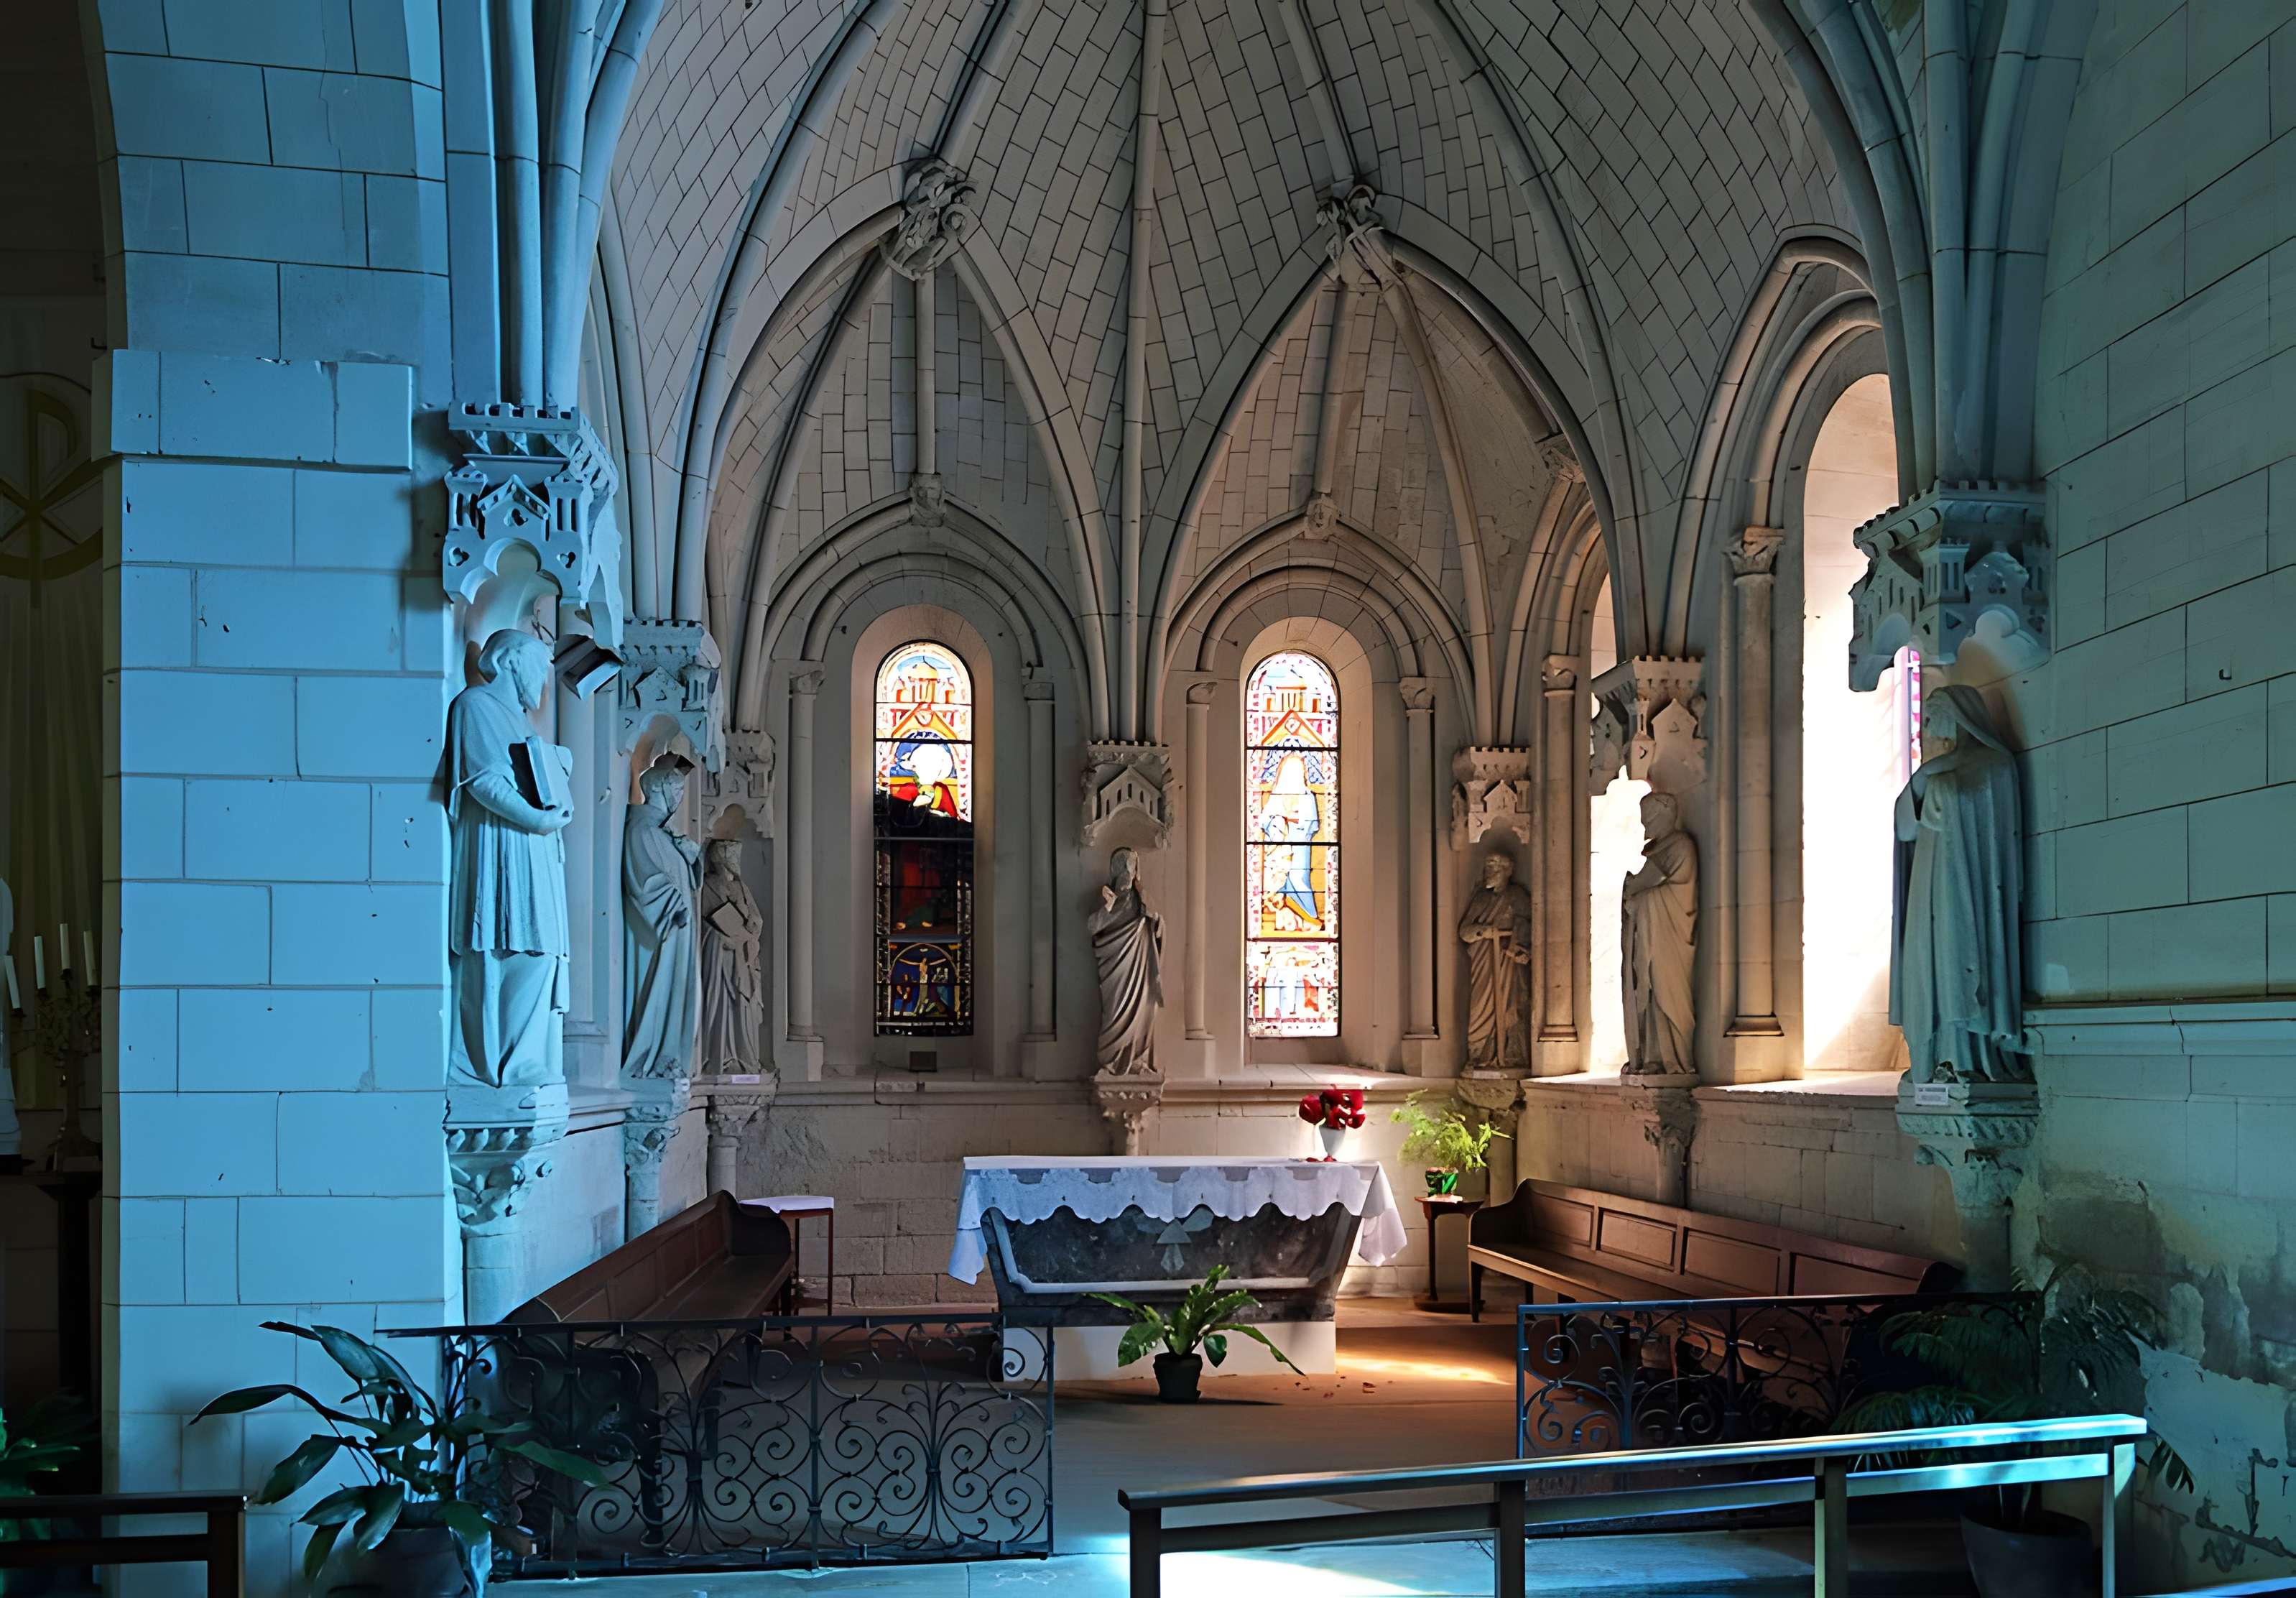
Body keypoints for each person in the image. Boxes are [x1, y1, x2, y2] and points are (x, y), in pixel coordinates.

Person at [446, 630, 573, 1087]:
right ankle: (504, 1066)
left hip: (533, 850)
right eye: (539, 667)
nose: (543, 681)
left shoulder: (521, 723)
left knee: (541, 951)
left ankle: (526, 1060)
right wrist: (537, 819)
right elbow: (483, 780)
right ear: (512, 660)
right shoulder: (476, 706)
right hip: (501, 848)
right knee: (509, 948)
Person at [1892, 685, 2027, 1084]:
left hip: (1967, 884)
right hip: (1930, 882)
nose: (1927, 727)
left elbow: (1975, 810)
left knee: (1958, 958)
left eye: (1932, 716)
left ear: (1957, 715)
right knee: (1927, 963)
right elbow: (1906, 828)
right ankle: (1934, 1058)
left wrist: (1939, 780)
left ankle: (1965, 1057)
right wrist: (1927, 775)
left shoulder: (1995, 765)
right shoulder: (1942, 768)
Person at [623, 763, 703, 1080]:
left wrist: (692, 858)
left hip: (678, 931)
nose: (681, 796)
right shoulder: (642, 829)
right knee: (661, 994)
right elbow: (644, 881)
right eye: (677, 788)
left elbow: (685, 880)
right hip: (665, 931)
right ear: (658, 788)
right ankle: (656, 1057)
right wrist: (673, 906)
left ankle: (668, 1057)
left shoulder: (663, 833)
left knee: (681, 996)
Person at [1622, 792, 1696, 1077]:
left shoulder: (1681, 847)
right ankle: (1653, 1057)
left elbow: (1681, 892)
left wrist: (1640, 900)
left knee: (1668, 993)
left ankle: (1675, 1059)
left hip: (1670, 937)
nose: (1646, 827)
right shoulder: (1658, 851)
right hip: (1652, 934)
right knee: (1649, 993)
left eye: (1649, 820)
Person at [1091, 848, 1164, 1076]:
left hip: (1140, 967)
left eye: (1130, 867)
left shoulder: (1142, 900)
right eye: (1121, 867)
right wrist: (1108, 906)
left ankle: (1137, 1060)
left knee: (1141, 1010)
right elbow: (1093, 927)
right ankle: (1112, 1060)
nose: (1125, 873)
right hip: (1114, 969)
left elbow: (1158, 925)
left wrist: (1153, 918)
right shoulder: (1109, 901)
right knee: (1114, 1011)